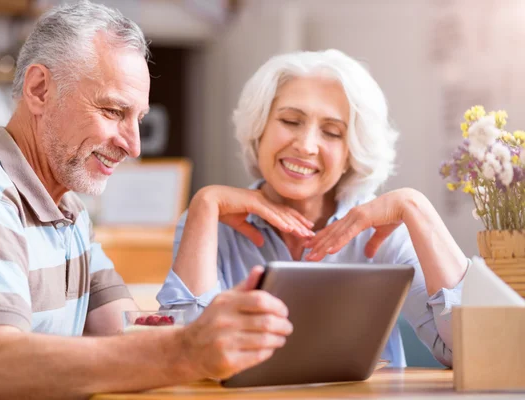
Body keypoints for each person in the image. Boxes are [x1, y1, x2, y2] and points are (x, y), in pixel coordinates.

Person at [0, 2, 318, 398]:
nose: (132, 145)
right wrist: (188, 349)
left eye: (138, 119)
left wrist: (219, 322)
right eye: (113, 111)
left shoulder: (68, 210)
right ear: (39, 89)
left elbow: (129, 332)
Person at [157, 49, 469, 368]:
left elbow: (471, 351)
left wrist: (415, 207)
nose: (306, 146)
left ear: (352, 152)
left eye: (332, 132)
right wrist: (205, 203)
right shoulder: (212, 224)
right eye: (291, 121)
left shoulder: (384, 231)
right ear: (259, 128)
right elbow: (187, 355)